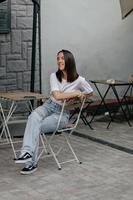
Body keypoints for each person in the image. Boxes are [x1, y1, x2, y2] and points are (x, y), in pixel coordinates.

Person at [15, 49, 93, 175]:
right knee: (33, 117)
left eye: (62, 58)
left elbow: (90, 92)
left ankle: (31, 164)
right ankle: (27, 153)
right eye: (58, 58)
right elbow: (57, 96)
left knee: (36, 125)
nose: (59, 61)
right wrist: (77, 93)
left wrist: (82, 95)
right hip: (48, 106)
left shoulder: (80, 80)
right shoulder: (54, 76)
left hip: (62, 114)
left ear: (69, 60)